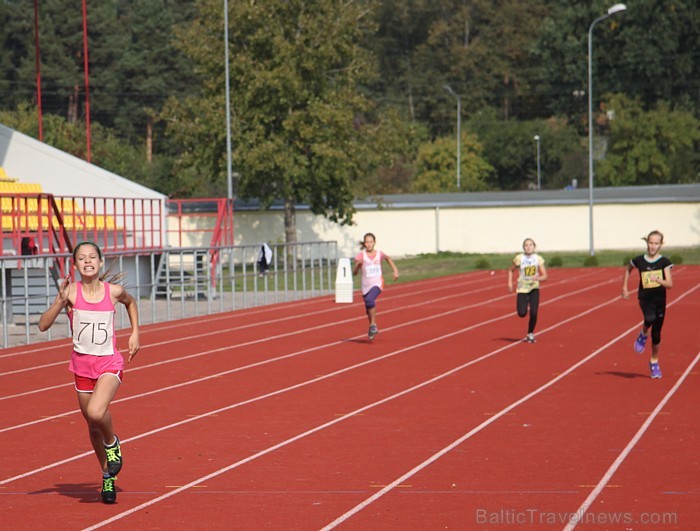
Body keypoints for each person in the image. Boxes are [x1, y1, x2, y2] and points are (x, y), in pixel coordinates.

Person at [38, 241, 140, 503]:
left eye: (92, 257)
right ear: (75, 265)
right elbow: (42, 325)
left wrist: (135, 333)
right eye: (82, 258)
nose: (87, 261)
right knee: (92, 424)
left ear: (100, 261)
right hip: (82, 367)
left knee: (97, 412)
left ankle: (112, 443)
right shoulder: (70, 292)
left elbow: (131, 303)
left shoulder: (114, 292)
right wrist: (60, 302)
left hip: (109, 363)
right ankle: (107, 477)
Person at [621, 230, 673, 379]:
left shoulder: (665, 262)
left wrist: (658, 280)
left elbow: (669, 284)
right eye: (650, 243)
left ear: (660, 245)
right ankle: (643, 333)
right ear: (647, 243)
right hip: (645, 298)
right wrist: (624, 287)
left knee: (656, 334)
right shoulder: (639, 260)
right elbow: (628, 269)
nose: (652, 246)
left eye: (656, 243)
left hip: (660, 299)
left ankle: (654, 361)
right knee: (649, 318)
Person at [352, 233, 399, 340]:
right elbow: (354, 273)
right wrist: (358, 265)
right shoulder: (361, 256)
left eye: (371, 242)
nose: (369, 244)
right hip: (365, 286)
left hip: (377, 283)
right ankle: (372, 326)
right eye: (367, 242)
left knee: (370, 299)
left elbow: (388, 259)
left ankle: (373, 324)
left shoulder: (379, 254)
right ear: (364, 243)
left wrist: (395, 270)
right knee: (368, 307)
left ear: (374, 242)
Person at [508, 238, 548, 343]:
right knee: (522, 313)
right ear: (523, 247)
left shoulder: (538, 259)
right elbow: (511, 270)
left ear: (534, 247)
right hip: (522, 288)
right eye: (526, 245)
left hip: (534, 288)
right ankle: (528, 329)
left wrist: (538, 278)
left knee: (534, 312)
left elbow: (545, 276)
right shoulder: (519, 258)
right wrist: (510, 283)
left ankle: (530, 333)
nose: (528, 247)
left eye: (531, 245)